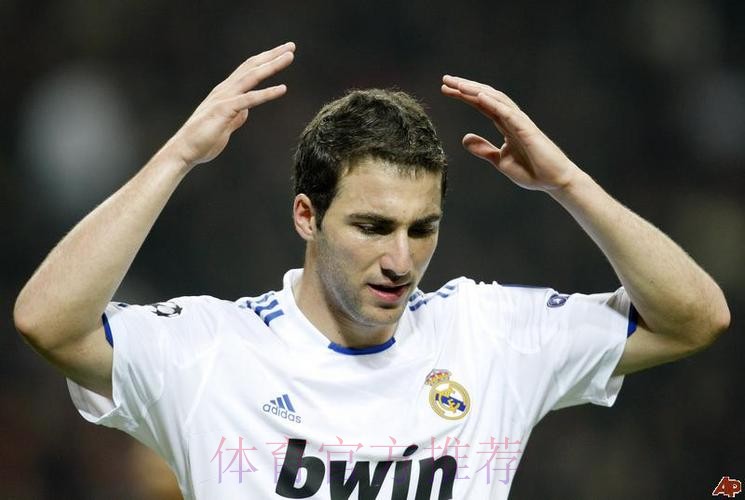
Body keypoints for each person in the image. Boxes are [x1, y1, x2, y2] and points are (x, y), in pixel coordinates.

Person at [14, 41, 729, 499]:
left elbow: (694, 319)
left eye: (423, 229)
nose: (401, 261)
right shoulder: (212, 351)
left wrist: (568, 183)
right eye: (372, 227)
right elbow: (47, 322)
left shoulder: (489, 334)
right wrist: (176, 158)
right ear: (306, 217)